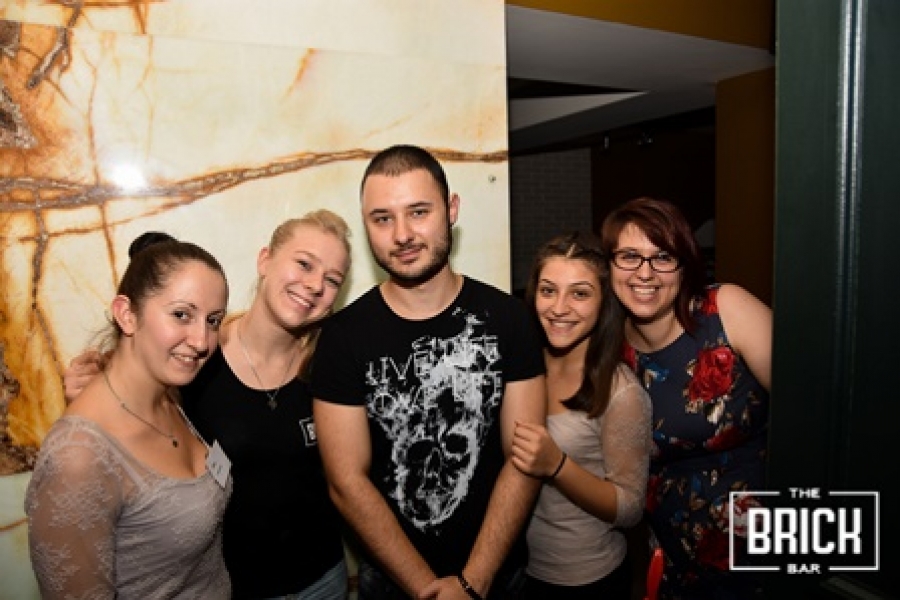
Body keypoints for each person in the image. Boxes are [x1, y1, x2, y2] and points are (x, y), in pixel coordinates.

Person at [62, 210, 353, 600]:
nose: (315, 285)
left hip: (323, 580)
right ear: (265, 260)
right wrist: (97, 393)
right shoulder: (194, 356)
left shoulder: (332, 364)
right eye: (304, 263)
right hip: (230, 586)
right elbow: (133, 406)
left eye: (332, 280)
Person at [310, 144, 547, 600]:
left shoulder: (508, 318)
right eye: (382, 218)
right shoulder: (343, 337)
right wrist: (429, 591)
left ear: (451, 210)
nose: (402, 234)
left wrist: (474, 581)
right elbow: (346, 482)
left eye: (418, 212)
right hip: (392, 584)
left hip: (499, 576)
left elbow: (524, 461)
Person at [27, 233, 231, 598]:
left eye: (213, 321)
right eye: (181, 315)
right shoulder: (77, 458)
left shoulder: (169, 394)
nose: (202, 341)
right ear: (126, 314)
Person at [599, 197, 772, 600]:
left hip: (763, 550)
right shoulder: (607, 350)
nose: (645, 272)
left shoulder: (725, 310)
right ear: (609, 267)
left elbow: (815, 411)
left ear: (684, 266)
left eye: (663, 257)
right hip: (674, 556)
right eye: (629, 256)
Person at [510, 232, 651, 599]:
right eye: (548, 290)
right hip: (515, 572)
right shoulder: (521, 365)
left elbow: (630, 507)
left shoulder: (620, 391)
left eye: (580, 294)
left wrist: (557, 465)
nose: (559, 307)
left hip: (584, 579)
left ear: (604, 302)